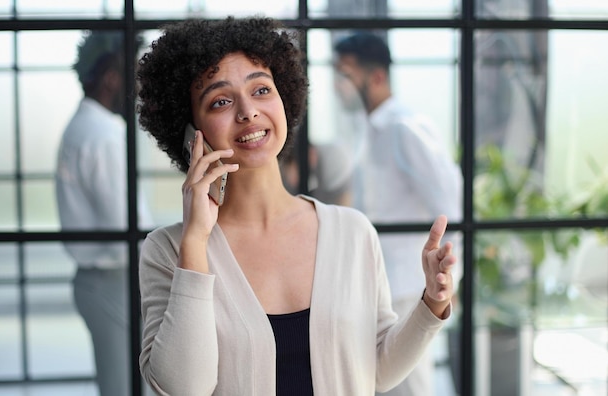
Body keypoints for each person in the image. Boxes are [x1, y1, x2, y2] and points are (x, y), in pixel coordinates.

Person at [135, 16, 457, 396]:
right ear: (190, 133)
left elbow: (374, 372)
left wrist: (432, 306)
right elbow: (184, 388)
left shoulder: (352, 232)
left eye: (261, 90)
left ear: (285, 99)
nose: (248, 112)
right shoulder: (169, 251)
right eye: (221, 100)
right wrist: (195, 242)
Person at [333, 32, 463, 396]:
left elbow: (450, 203)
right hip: (384, 281)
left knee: (410, 385)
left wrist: (443, 279)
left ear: (375, 77)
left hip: (409, 283)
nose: (336, 86)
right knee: (389, 381)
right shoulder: (371, 129)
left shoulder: (404, 128)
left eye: (345, 75)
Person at [55, 30, 152, 396]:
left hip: (105, 279)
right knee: (125, 387)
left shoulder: (86, 127)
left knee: (122, 384)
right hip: (113, 279)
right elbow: (126, 222)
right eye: (135, 78)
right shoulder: (101, 135)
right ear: (113, 78)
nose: (139, 90)